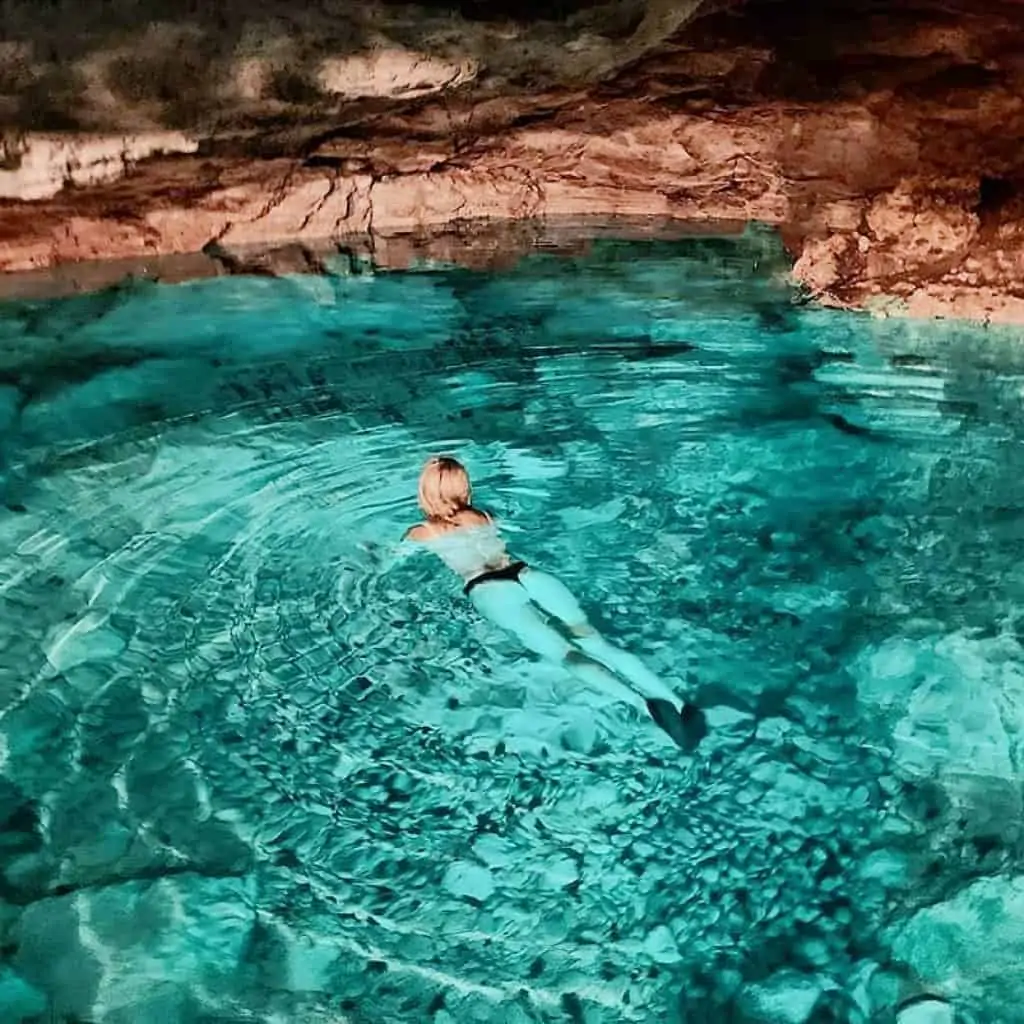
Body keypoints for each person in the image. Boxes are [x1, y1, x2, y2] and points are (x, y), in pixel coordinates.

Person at [404, 456, 707, 752]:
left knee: (566, 655)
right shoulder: (484, 516)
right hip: (527, 575)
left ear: (426, 491)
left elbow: (389, 559)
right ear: (464, 485)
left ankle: (645, 707)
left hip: (487, 589)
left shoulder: (423, 532)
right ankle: (681, 706)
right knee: (596, 643)